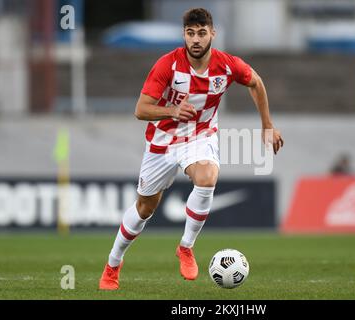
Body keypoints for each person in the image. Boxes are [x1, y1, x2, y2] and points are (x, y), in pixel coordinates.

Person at [99, 8, 284, 290]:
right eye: (190, 33)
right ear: (184, 34)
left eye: (201, 33)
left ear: (212, 33)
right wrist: (172, 110)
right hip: (162, 141)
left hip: (200, 136)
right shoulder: (167, 65)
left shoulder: (228, 65)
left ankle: (186, 247)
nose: (195, 39)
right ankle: (113, 265)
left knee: (208, 177)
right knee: (145, 208)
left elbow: (256, 83)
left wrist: (267, 125)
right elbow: (140, 110)